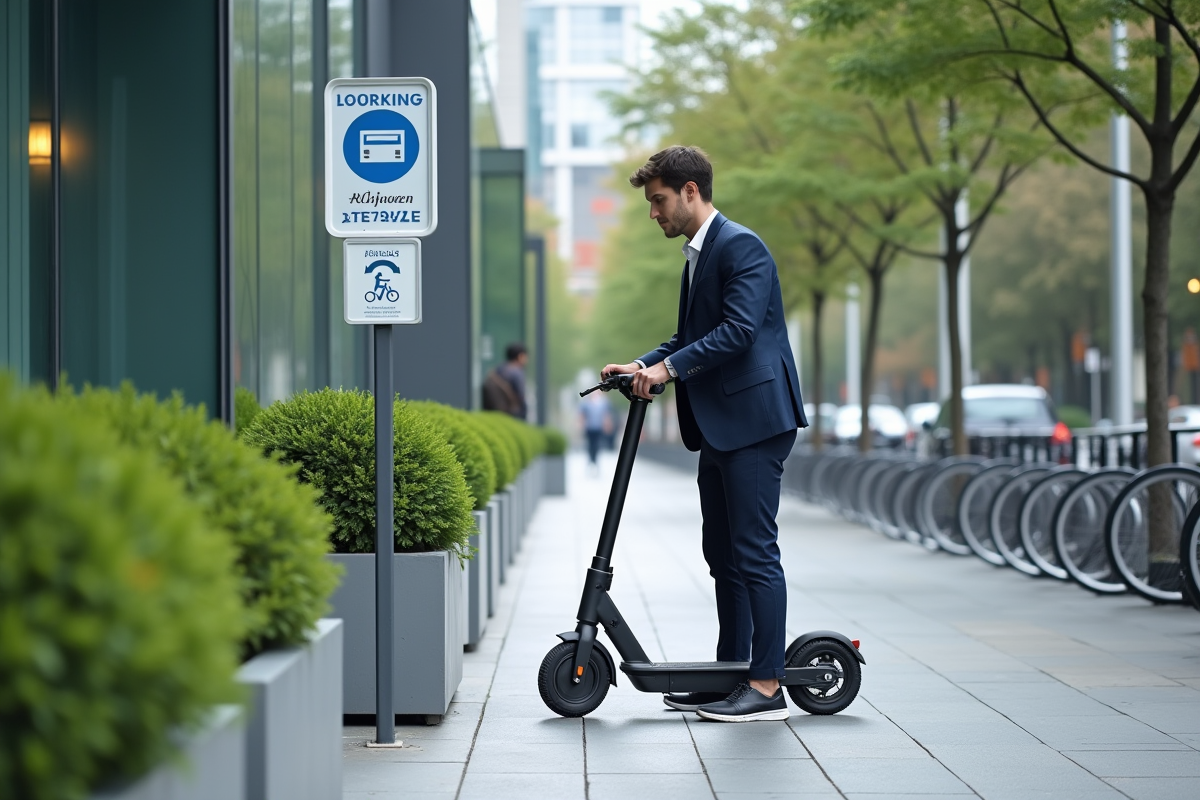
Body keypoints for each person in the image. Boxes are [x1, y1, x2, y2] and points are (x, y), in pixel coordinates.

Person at [601, 146, 807, 723]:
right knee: (723, 556)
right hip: (721, 425)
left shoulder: (741, 246)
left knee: (753, 553)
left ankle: (766, 686)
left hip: (755, 423)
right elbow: (690, 336)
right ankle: (731, 675)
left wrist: (666, 370)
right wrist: (640, 364)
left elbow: (739, 330)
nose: (653, 213)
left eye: (659, 200)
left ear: (690, 192)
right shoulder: (699, 254)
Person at [482, 343, 528, 419]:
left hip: (493, 413)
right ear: (520, 356)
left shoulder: (498, 369)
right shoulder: (517, 372)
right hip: (510, 415)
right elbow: (521, 396)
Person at [579, 390, 613, 474]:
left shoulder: (603, 402)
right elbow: (582, 415)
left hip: (599, 427)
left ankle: (595, 461)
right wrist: (581, 425)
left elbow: (606, 414)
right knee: (590, 445)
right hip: (589, 428)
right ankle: (591, 461)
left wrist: (607, 425)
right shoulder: (586, 403)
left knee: (597, 445)